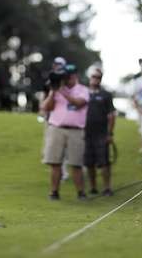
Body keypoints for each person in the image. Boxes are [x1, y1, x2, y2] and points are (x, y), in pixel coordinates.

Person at [41, 64, 89, 200]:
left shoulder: (82, 90)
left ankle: (81, 193)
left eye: (68, 77)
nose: (66, 79)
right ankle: (54, 192)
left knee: (76, 163)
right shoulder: (56, 90)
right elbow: (46, 107)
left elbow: (79, 103)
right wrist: (52, 92)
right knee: (55, 162)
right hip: (57, 128)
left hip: (76, 131)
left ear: (74, 76)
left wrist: (62, 91)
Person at [84, 66, 116, 196]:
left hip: (102, 133)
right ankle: (93, 187)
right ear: (90, 78)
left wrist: (110, 133)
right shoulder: (83, 93)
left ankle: (107, 187)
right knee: (89, 162)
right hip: (86, 133)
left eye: (98, 77)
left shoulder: (106, 95)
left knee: (104, 162)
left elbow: (111, 115)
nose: (95, 79)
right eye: (93, 77)